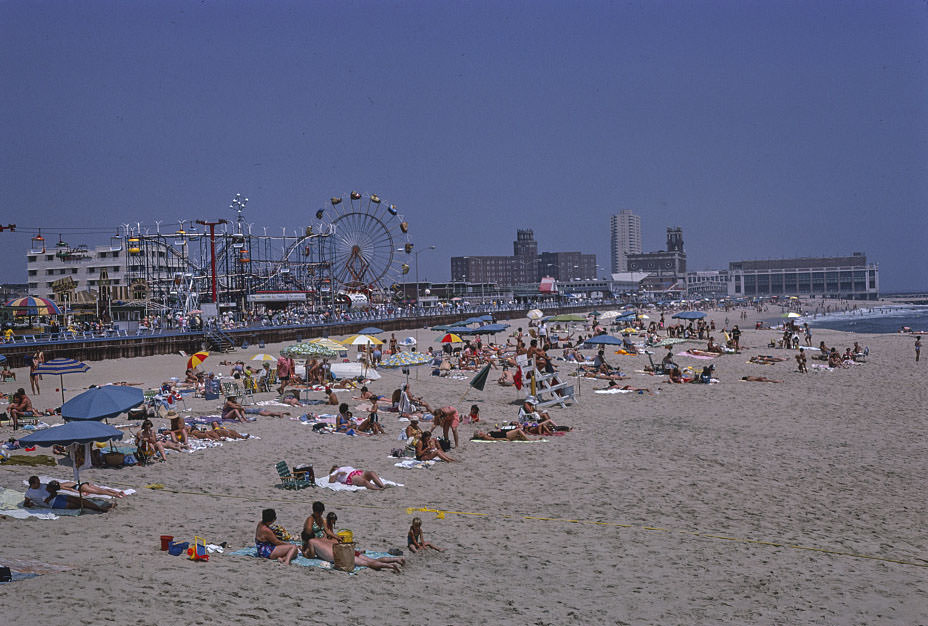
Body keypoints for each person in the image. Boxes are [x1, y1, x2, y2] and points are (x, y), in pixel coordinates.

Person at [24, 479, 115, 512]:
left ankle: (100, 508)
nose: (39, 483)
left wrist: (50, 496)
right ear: (32, 484)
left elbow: (54, 492)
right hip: (53, 504)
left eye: (39, 481)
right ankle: (98, 508)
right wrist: (32, 504)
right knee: (76, 505)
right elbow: (26, 503)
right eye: (37, 482)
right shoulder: (29, 493)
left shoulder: (43, 485)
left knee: (79, 500)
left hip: (56, 498)